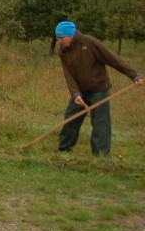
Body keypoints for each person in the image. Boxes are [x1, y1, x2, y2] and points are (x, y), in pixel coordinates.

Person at [54, 20, 144, 157]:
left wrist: (134, 75)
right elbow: (68, 75)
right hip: (80, 92)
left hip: (98, 90)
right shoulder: (63, 51)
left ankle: (101, 155)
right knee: (70, 118)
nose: (59, 41)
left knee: (100, 123)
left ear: (70, 35)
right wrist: (76, 93)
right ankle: (64, 150)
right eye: (58, 38)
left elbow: (113, 59)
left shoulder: (89, 43)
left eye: (61, 38)